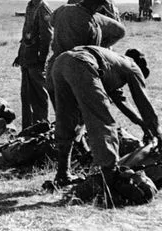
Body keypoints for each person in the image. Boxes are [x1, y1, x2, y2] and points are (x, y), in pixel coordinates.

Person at [51, 46, 162, 187]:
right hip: (82, 64)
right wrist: (157, 132)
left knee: (67, 120)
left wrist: (142, 124)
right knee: (101, 119)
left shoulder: (114, 63)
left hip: (60, 63)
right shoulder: (133, 66)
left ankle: (63, 174)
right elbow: (144, 103)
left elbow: (120, 100)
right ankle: (110, 175)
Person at [46, 0, 126, 106]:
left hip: (54, 71)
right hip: (76, 75)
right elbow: (93, 51)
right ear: (97, 6)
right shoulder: (91, 24)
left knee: (61, 115)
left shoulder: (62, 9)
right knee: (79, 116)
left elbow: (51, 22)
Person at [12, 0, 53, 129]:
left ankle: (41, 128)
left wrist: (42, 59)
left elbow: (48, 36)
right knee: (26, 96)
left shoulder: (43, 8)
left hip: (36, 61)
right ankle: (27, 129)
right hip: (26, 58)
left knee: (39, 96)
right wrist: (20, 54)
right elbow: (26, 33)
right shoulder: (30, 6)